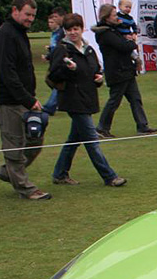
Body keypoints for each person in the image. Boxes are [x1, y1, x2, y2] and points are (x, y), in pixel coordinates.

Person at [47, 13, 126, 187]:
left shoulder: (88, 49)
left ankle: (59, 173)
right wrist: (69, 69)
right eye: (69, 30)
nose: (73, 33)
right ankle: (109, 176)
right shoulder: (62, 49)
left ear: (82, 29)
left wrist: (98, 78)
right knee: (92, 139)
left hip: (88, 98)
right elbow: (53, 74)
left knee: (74, 139)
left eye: (76, 29)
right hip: (73, 99)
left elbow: (95, 70)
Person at [0, 0, 50, 201]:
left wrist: (29, 98)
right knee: (14, 144)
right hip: (8, 101)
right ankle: (26, 189)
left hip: (24, 99)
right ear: (15, 10)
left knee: (35, 139)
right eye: (27, 14)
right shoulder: (5, 35)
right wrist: (28, 99)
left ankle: (8, 172)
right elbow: (8, 74)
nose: (31, 19)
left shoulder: (19, 33)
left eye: (33, 15)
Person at [94, 4, 157, 138]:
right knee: (114, 101)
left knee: (135, 99)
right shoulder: (106, 34)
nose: (117, 17)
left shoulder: (113, 31)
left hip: (126, 71)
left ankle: (142, 126)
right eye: (114, 15)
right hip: (118, 72)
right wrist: (133, 42)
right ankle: (102, 128)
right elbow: (122, 46)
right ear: (106, 18)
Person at [41, 8, 65, 115]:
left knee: (57, 84)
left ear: (61, 17)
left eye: (55, 18)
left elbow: (60, 47)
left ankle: (50, 107)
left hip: (60, 61)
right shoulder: (56, 33)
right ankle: (61, 102)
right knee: (52, 81)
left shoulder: (62, 31)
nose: (53, 21)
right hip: (55, 60)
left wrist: (50, 55)